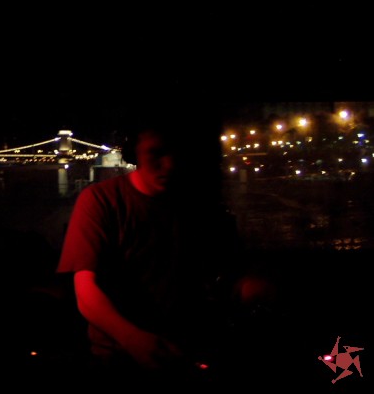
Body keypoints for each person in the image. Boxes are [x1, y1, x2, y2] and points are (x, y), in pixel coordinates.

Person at [56, 115, 275, 386]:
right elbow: (85, 291)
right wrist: (133, 339)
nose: (169, 165)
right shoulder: (100, 201)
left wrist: (252, 288)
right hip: (118, 361)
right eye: (156, 153)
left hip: (189, 353)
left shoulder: (201, 207)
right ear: (134, 151)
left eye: (177, 153)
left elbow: (226, 275)